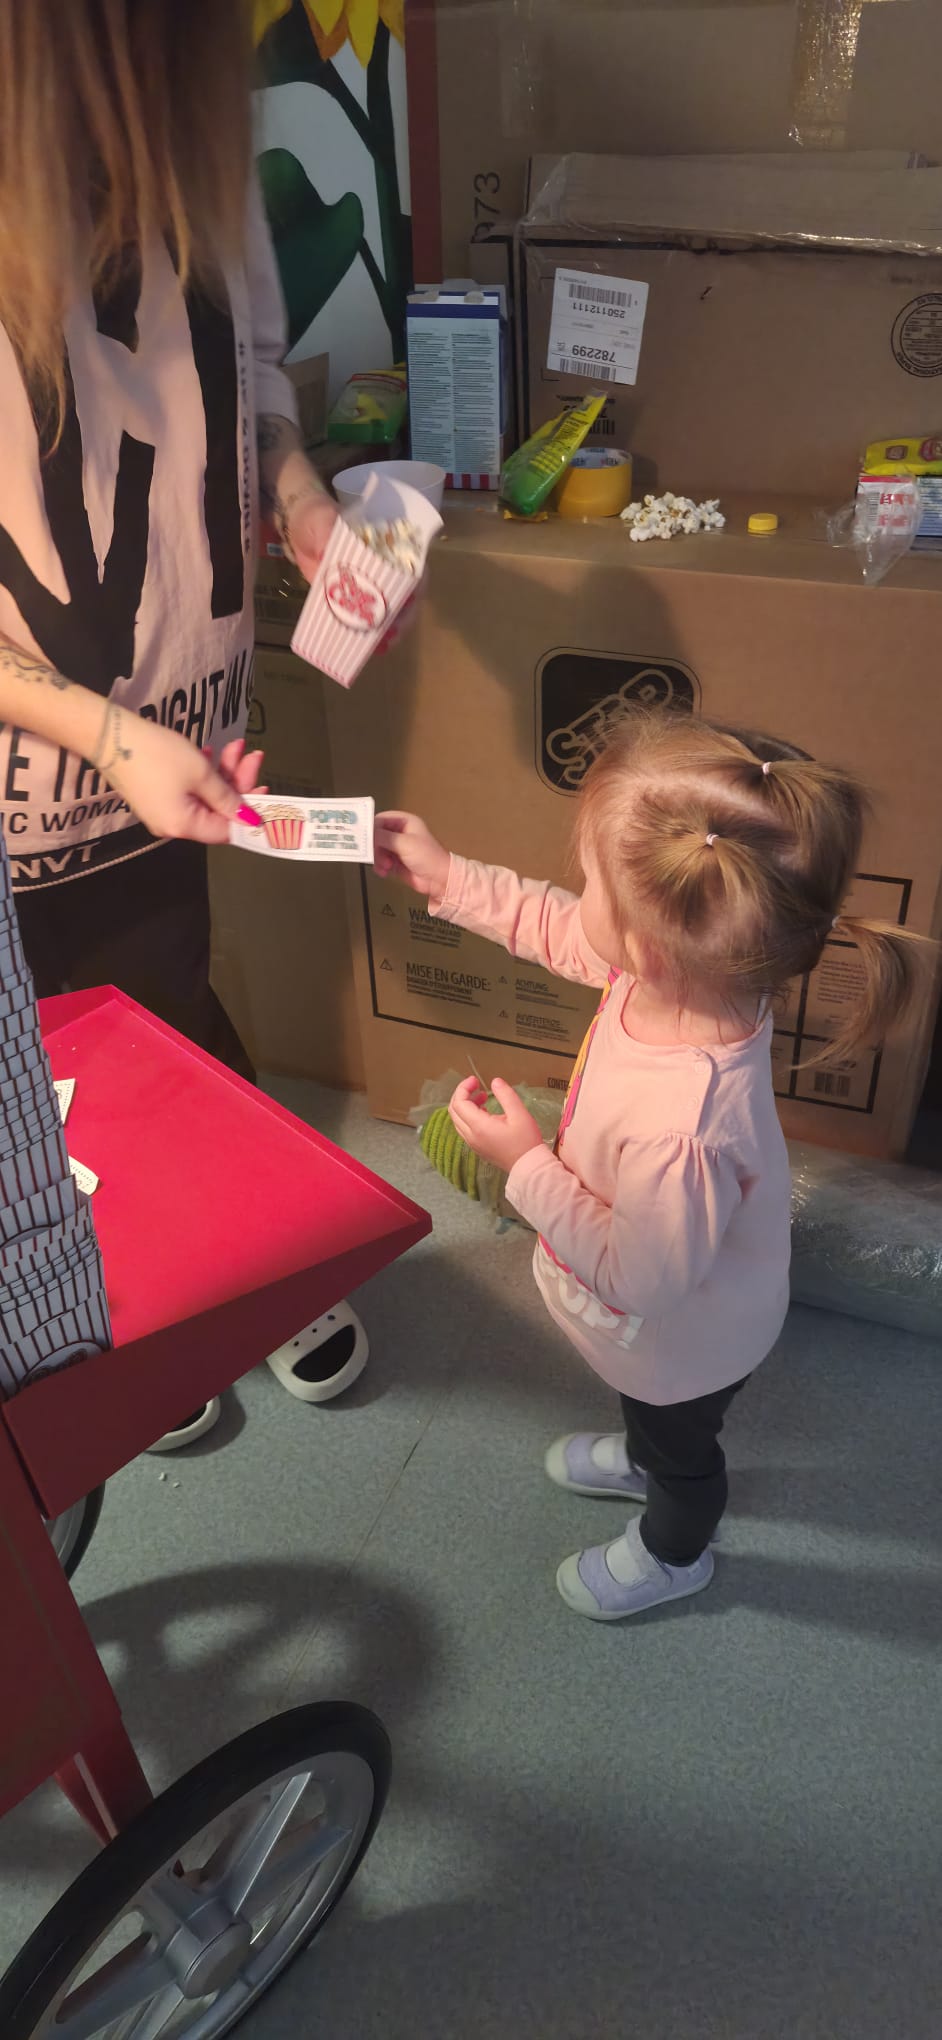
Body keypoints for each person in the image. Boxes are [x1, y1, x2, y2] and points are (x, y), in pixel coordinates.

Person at [0, 0, 367, 1439]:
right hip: (43, 769)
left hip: (175, 723)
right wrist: (101, 735)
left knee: (166, 996)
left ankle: (236, 1251)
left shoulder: (196, 138)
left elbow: (248, 370)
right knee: (46, 1071)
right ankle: (120, 1292)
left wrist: (300, 498)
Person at [374, 712, 924, 1620]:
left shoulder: (685, 1126)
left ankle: (674, 1554)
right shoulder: (697, 973)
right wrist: (449, 877)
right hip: (666, 1325)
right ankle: (640, 1452)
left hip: (683, 1342)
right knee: (654, 1425)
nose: (578, 896)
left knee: (684, 1453)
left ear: (649, 945)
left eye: (592, 883)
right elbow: (560, 928)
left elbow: (644, 1280)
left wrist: (526, 1165)